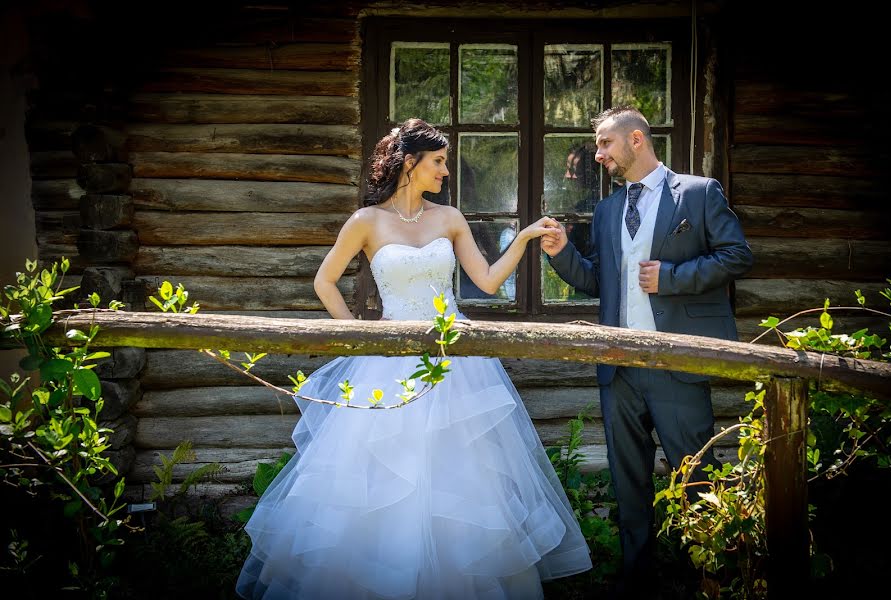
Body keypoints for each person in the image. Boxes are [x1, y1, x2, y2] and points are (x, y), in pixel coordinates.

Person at [236, 118, 593, 599]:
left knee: (463, 480)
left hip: (454, 363)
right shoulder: (366, 222)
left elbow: (486, 281)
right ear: (410, 163)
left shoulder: (450, 219)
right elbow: (325, 282)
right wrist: (358, 338)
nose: (445, 172)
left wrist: (525, 238)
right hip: (388, 358)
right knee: (379, 479)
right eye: (439, 162)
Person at [541, 106, 753, 599]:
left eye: (605, 144)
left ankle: (707, 578)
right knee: (628, 484)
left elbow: (737, 255)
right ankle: (638, 583)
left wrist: (673, 278)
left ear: (636, 140)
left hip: (676, 360)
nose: (598, 155)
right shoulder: (608, 209)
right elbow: (599, 280)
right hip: (619, 369)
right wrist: (561, 254)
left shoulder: (698, 193)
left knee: (695, 475)